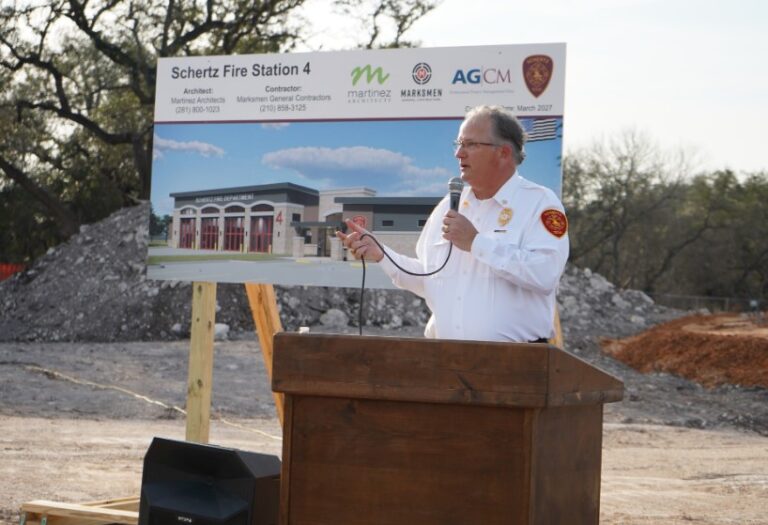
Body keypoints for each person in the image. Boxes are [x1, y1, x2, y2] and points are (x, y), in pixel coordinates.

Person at [336, 105, 569, 342]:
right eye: (458, 144)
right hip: (446, 360)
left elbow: (545, 273)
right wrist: (380, 253)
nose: (459, 153)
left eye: (470, 144)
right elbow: (427, 278)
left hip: (516, 363)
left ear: (504, 153)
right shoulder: (449, 205)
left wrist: (476, 243)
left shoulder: (539, 202)